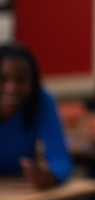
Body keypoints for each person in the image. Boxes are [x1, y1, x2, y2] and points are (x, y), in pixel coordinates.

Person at [0, 44, 73, 188]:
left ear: (33, 82)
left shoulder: (42, 101)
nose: (12, 88)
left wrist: (50, 176)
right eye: (3, 79)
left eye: (21, 80)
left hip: (19, 193)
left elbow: (61, 160)